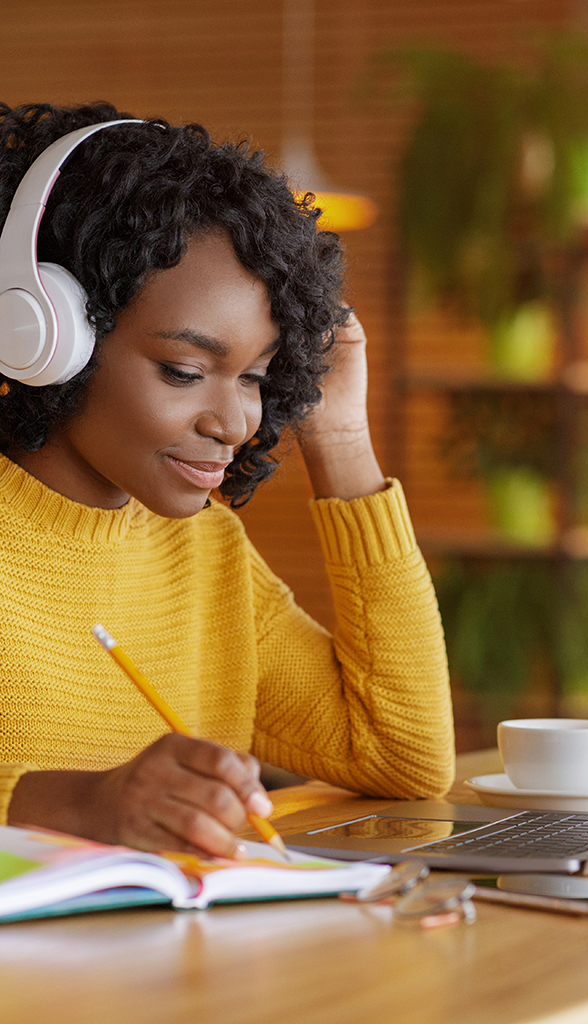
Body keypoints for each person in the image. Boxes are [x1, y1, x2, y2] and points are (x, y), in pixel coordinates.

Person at [0, 101, 454, 860]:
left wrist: (339, 435)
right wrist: (74, 803)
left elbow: (402, 757)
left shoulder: (208, 553)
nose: (235, 422)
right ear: (45, 334)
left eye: (255, 378)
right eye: (185, 371)